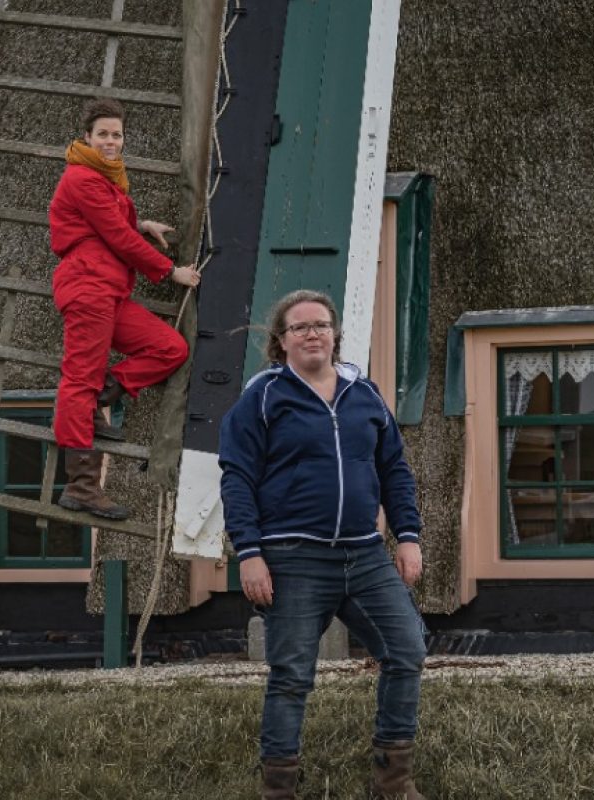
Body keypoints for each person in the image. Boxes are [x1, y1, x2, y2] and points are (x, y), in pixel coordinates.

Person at [219, 290, 427, 799]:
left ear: (334, 334)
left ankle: (393, 782)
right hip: (292, 558)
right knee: (291, 675)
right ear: (281, 341)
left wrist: (408, 537)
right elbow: (236, 478)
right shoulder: (264, 396)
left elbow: (394, 470)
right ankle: (279, 789)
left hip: (365, 555)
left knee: (407, 651)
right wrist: (249, 552)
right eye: (299, 327)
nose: (311, 333)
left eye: (320, 325)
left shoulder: (366, 394)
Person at [48, 98, 201, 520]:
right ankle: (81, 485)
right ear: (87, 138)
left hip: (110, 292)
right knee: (79, 379)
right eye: (103, 134)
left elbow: (109, 227)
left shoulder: (105, 180)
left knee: (170, 348)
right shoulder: (82, 177)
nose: (111, 141)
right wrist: (171, 272)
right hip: (88, 288)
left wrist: (142, 225)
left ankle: (105, 394)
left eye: (117, 134)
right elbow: (114, 237)